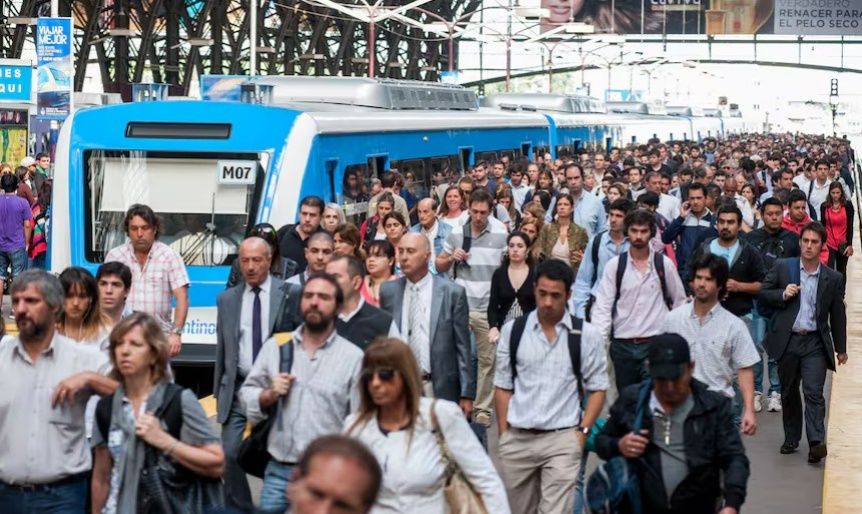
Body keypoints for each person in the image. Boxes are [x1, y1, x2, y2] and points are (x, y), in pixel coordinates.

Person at [240, 273, 363, 512]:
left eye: (323, 297)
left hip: (328, 477)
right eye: (308, 296)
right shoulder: (276, 347)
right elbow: (247, 396)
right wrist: (268, 395)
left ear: (337, 306)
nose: (314, 302)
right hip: (278, 473)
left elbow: (360, 423)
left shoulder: (354, 358)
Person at [344, 338, 510, 513]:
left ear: (404, 375)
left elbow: (486, 480)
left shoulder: (440, 415)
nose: (376, 383)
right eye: (369, 376)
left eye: (385, 375)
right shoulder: (356, 427)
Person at [494, 260, 608, 514]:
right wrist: (504, 435)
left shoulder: (586, 336)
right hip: (518, 439)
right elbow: (502, 386)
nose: (547, 302)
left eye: (555, 296)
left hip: (563, 440)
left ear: (568, 294)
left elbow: (598, 388)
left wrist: (582, 433)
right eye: (542, 294)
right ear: (534, 289)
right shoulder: (514, 331)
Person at [594, 333, 750, 514]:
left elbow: (734, 458)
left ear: (691, 368)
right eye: (661, 379)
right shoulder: (632, 401)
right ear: (648, 368)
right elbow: (602, 442)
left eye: (675, 378)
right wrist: (619, 445)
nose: (669, 388)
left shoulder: (713, 407)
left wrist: (731, 503)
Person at [0, 270, 116, 512]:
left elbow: (136, 395)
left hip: (62, 497)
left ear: (55, 307)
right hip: (7, 495)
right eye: (17, 300)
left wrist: (90, 379)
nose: (21, 308)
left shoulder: (83, 358)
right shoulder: (2, 355)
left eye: (31, 301)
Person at [91, 313, 224, 513]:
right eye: (119, 344)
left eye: (135, 344)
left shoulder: (178, 400)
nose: (125, 351)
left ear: (154, 354)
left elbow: (217, 463)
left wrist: (164, 440)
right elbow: (102, 477)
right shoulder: (106, 408)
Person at [758, 222, 847, 463]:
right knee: (788, 392)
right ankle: (792, 437)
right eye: (805, 241)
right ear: (800, 243)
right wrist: (781, 294)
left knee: (814, 392)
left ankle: (816, 441)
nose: (809, 246)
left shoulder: (832, 277)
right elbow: (763, 293)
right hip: (788, 340)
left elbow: (837, 313)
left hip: (815, 343)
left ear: (822, 245)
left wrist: (841, 348)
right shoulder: (782, 268)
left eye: (814, 242)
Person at [215, 236, 287, 510]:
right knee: (229, 453)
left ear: (269, 260)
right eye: (245, 260)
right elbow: (223, 349)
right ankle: (241, 507)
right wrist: (220, 390)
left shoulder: (287, 293)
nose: (251, 266)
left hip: (277, 389)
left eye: (257, 260)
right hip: (238, 388)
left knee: (276, 456)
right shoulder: (227, 299)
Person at [661, 253, 760, 435]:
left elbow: (744, 368)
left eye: (708, 279)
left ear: (720, 285)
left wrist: (749, 410)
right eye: (698, 278)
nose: (701, 284)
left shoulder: (734, 326)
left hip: (718, 411)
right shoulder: (672, 320)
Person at [590, 209, 687, 393]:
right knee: (627, 403)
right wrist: (599, 346)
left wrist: (676, 342)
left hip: (655, 345)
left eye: (643, 231)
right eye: (634, 231)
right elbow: (603, 307)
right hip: (622, 346)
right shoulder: (615, 266)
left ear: (651, 233)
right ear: (628, 232)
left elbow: (679, 303)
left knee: (654, 402)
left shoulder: (663, 264)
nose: (639, 236)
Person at [435, 188, 509, 428]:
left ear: (491, 210)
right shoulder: (457, 232)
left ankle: (483, 408)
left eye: (483, 213)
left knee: (487, 360)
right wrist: (450, 257)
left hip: (488, 307)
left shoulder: (500, 232)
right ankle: (459, 401)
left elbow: (507, 266)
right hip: (461, 305)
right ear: (469, 209)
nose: (478, 217)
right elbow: (438, 265)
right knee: (458, 356)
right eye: (474, 212)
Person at [380, 233, 473, 408]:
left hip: (438, 386)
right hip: (400, 385)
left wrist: (466, 393)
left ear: (427, 256)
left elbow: (463, 346)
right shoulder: (389, 291)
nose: (404, 257)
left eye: (411, 251)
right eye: (401, 251)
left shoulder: (451, 293)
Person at [105, 204, 190, 357]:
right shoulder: (115, 256)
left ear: (154, 229)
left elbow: (182, 297)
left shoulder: (170, 257)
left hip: (157, 337)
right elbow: (104, 296)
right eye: (134, 228)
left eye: (145, 228)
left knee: (156, 380)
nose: (139, 234)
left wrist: (176, 333)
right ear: (127, 231)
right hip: (121, 337)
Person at [745, 197, 799, 413]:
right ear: (762, 215)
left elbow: (799, 268)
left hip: (784, 302)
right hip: (758, 301)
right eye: (770, 213)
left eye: (778, 213)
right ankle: (757, 390)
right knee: (756, 345)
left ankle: (774, 391)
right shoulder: (751, 239)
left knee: (777, 348)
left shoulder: (792, 239)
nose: (774, 217)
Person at [571, 198, 634, 320]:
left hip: (628, 306)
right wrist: (580, 311)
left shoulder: (635, 244)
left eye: (619, 216)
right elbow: (584, 278)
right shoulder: (597, 241)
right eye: (611, 215)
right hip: (599, 303)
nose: (613, 220)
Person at [326, 254, 400, 351]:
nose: (327, 282)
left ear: (356, 282)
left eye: (335, 277)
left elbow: (398, 361)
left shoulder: (382, 321)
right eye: (326, 277)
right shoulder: (319, 318)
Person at [488, 232, 537, 346]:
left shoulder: (536, 273)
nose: (515, 250)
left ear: (527, 250)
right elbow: (492, 305)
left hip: (530, 332)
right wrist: (493, 327)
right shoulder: (499, 273)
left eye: (520, 246)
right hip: (504, 331)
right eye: (511, 246)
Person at [661, 182, 714, 283]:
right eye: (692, 198)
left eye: (699, 198)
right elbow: (666, 238)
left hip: (708, 272)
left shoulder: (713, 220)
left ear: (706, 198)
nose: (695, 202)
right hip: (684, 272)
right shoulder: (682, 219)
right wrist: (681, 218)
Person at [226, 223, 299, 289]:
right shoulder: (238, 264)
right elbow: (230, 295)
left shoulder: (290, 267)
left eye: (265, 247)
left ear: (274, 247)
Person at [0, 173, 32, 318]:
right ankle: (15, 310)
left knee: (0, 277)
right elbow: (27, 225)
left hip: (1, 245)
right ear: (16, 186)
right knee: (17, 277)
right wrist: (27, 242)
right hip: (17, 244)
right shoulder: (23, 203)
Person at [57, 267, 113, 347]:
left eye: (82, 296)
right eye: (69, 296)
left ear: (91, 298)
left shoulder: (105, 333)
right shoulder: (48, 332)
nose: (76, 303)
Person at [535, 194, 590, 274]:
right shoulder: (547, 229)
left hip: (572, 274)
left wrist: (583, 259)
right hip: (549, 272)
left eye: (566, 204)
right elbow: (540, 253)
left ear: (572, 208)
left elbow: (586, 256)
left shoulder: (580, 231)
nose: (562, 207)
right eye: (559, 204)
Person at [277, 196, 325, 273]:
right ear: (299, 214)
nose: (307, 219)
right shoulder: (284, 232)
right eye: (304, 214)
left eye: (312, 215)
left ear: (321, 217)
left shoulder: (327, 240)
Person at [820, 180, 854, 280]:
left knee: (841, 271)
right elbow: (823, 224)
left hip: (843, 243)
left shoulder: (847, 206)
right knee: (828, 268)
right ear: (829, 193)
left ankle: (841, 293)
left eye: (838, 193)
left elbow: (850, 225)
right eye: (833, 193)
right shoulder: (824, 207)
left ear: (841, 193)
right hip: (828, 242)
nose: (835, 195)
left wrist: (849, 244)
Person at [410, 197, 452, 275]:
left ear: (435, 212)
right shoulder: (412, 232)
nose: (422, 216)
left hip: (442, 278)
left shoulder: (448, 231)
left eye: (425, 212)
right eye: (419, 212)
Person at [361, 240, 397, 306]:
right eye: (368, 256)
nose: (371, 259)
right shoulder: (358, 283)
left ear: (390, 261)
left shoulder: (401, 284)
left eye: (377, 256)